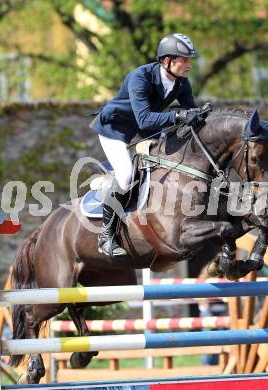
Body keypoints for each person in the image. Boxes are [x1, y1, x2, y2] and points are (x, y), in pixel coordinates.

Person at [90, 33, 204, 258]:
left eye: (189, 59)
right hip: (115, 130)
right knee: (124, 176)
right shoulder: (139, 77)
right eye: (184, 59)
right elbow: (144, 118)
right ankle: (106, 235)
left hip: (144, 131)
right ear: (167, 61)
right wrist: (178, 116)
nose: (189, 64)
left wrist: (200, 116)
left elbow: (190, 110)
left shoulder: (181, 82)